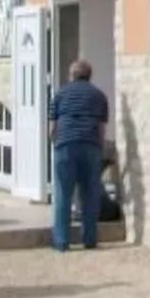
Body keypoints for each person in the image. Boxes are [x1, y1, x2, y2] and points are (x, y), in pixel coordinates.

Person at [49, 58, 108, 252]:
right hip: (90, 145)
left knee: (63, 194)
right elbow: (101, 129)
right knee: (90, 195)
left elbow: (52, 128)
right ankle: (89, 239)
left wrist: (55, 143)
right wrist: (100, 149)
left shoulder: (60, 94)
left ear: (72, 75)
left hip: (66, 144)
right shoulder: (99, 96)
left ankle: (61, 241)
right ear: (89, 75)